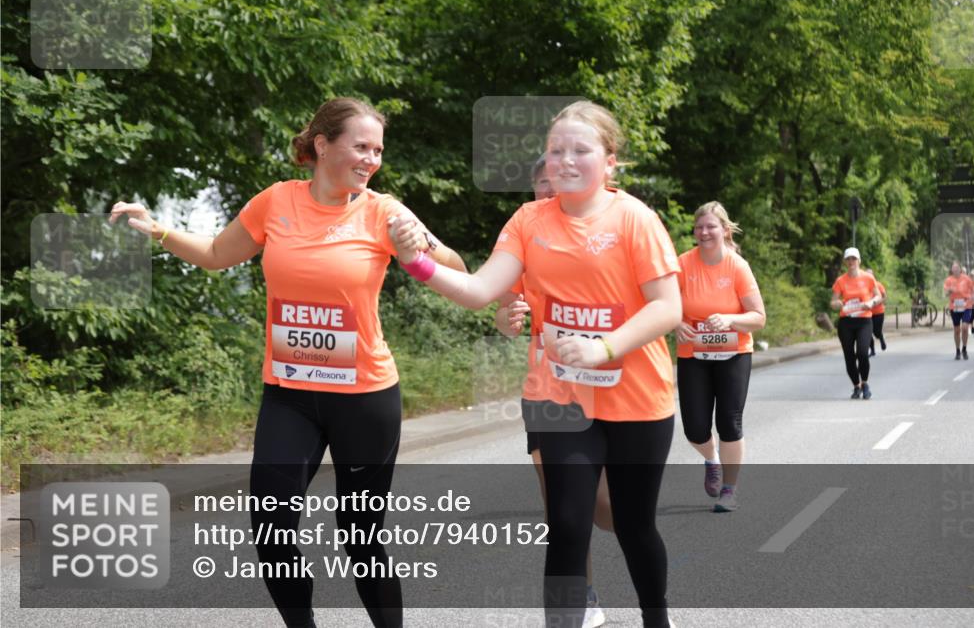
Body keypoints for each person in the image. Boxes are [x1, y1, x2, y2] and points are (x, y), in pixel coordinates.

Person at [110, 97, 466, 628]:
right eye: (361, 146)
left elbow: (458, 271)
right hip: (291, 394)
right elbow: (214, 254)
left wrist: (415, 250)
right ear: (323, 145)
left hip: (365, 397)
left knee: (360, 536)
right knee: (271, 527)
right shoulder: (276, 202)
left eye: (378, 150)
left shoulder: (385, 212)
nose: (371, 159)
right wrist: (155, 228)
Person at [390, 100, 682, 628]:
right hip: (561, 396)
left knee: (635, 526)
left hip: (639, 399)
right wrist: (416, 261)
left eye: (580, 150)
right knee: (568, 524)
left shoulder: (635, 219)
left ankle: (656, 617)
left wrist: (604, 347)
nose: (564, 161)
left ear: (610, 162)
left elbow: (668, 307)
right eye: (554, 151)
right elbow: (481, 289)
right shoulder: (529, 220)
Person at [494, 155, 613, 628]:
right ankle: (581, 595)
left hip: (607, 389)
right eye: (540, 186)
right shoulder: (523, 236)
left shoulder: (605, 232)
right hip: (546, 392)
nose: (547, 193)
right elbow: (505, 312)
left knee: (607, 510)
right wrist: (507, 321)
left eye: (555, 185)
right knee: (562, 509)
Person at [674, 202, 765, 513]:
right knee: (695, 428)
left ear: (725, 230)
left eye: (711, 226)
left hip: (733, 353)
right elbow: (664, 304)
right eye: (699, 227)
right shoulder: (683, 264)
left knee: (730, 421)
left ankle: (730, 489)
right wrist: (676, 323)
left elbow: (759, 317)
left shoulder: (737, 266)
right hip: (693, 353)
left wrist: (730, 320)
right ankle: (711, 459)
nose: (704, 232)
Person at [830, 248, 882, 399]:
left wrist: (871, 302)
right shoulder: (841, 281)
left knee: (862, 353)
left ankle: (865, 383)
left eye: (854, 259)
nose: (851, 262)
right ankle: (856, 386)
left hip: (864, 320)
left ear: (859, 261)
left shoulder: (868, 278)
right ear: (846, 262)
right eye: (848, 259)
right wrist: (837, 303)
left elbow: (878, 296)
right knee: (849, 357)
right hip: (846, 322)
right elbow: (832, 302)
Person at [943, 261, 974, 360]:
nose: (955, 270)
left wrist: (973, 297)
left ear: (960, 269)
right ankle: (957, 350)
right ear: (951, 270)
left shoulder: (966, 279)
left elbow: (973, 290)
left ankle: (964, 348)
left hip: (966, 306)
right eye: (953, 268)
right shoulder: (949, 280)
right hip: (954, 306)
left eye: (957, 268)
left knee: (965, 328)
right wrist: (949, 291)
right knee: (957, 330)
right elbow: (945, 294)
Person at [864, 268, 887, 357]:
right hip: (868, 313)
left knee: (876, 332)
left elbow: (884, 297)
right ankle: (872, 350)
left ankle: (880, 338)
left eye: (870, 275)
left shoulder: (878, 285)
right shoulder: (863, 287)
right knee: (868, 332)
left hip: (879, 312)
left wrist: (877, 302)